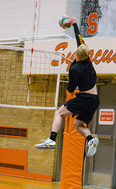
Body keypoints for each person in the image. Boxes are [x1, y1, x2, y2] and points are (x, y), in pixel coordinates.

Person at [35, 14, 100, 157]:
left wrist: (72, 89)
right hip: (95, 99)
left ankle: (52, 139)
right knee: (78, 124)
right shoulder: (87, 59)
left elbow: (70, 89)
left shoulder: (75, 69)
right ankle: (91, 139)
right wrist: (75, 24)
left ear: (77, 52)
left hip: (85, 98)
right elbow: (79, 39)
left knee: (58, 113)